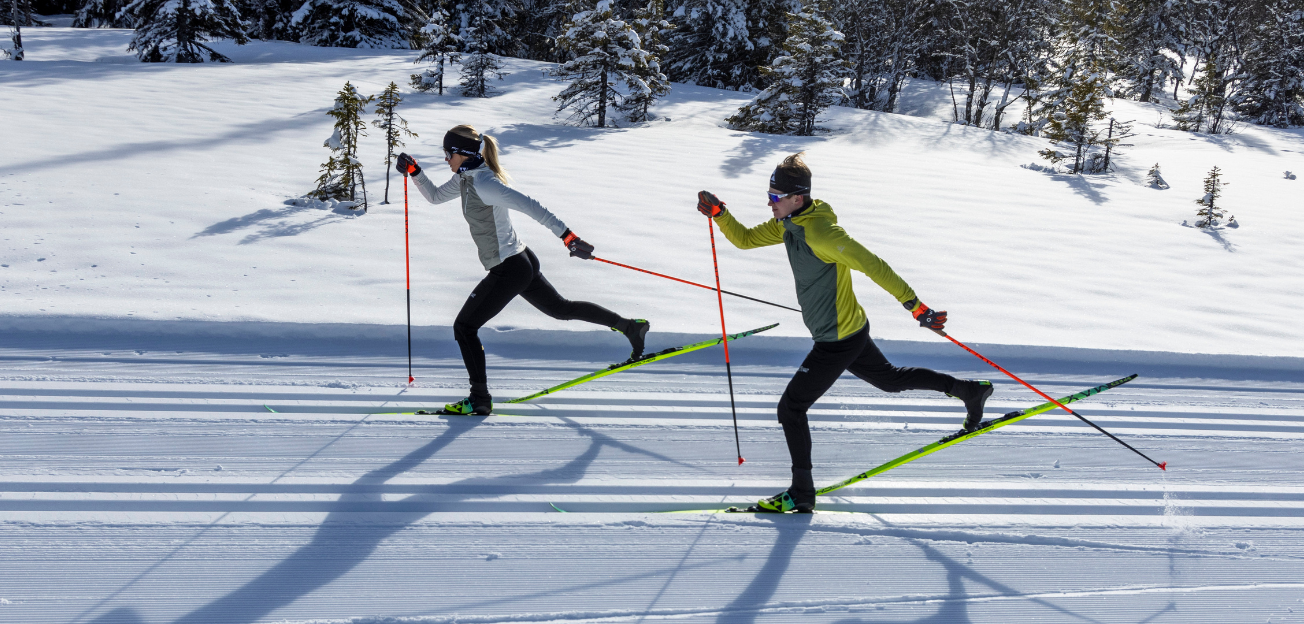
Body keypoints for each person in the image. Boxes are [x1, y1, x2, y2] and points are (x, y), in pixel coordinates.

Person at [697, 152, 993, 513]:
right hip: (848, 329)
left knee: (791, 408)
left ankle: (802, 493)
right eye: (769, 194)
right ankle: (969, 391)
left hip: (837, 339)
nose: (769, 202)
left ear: (797, 197)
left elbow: (873, 265)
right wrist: (721, 216)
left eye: (775, 196)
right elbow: (744, 240)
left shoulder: (822, 233)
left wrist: (915, 306)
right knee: (890, 380)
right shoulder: (788, 224)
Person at [395, 125, 650, 416]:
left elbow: (530, 205)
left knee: (464, 327)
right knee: (561, 309)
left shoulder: (486, 184)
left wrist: (567, 236)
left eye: (448, 153)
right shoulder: (465, 179)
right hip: (520, 259)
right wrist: (415, 172)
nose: (446, 159)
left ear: (463, 153)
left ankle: (479, 399)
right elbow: (436, 197)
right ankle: (631, 326)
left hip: (509, 267)